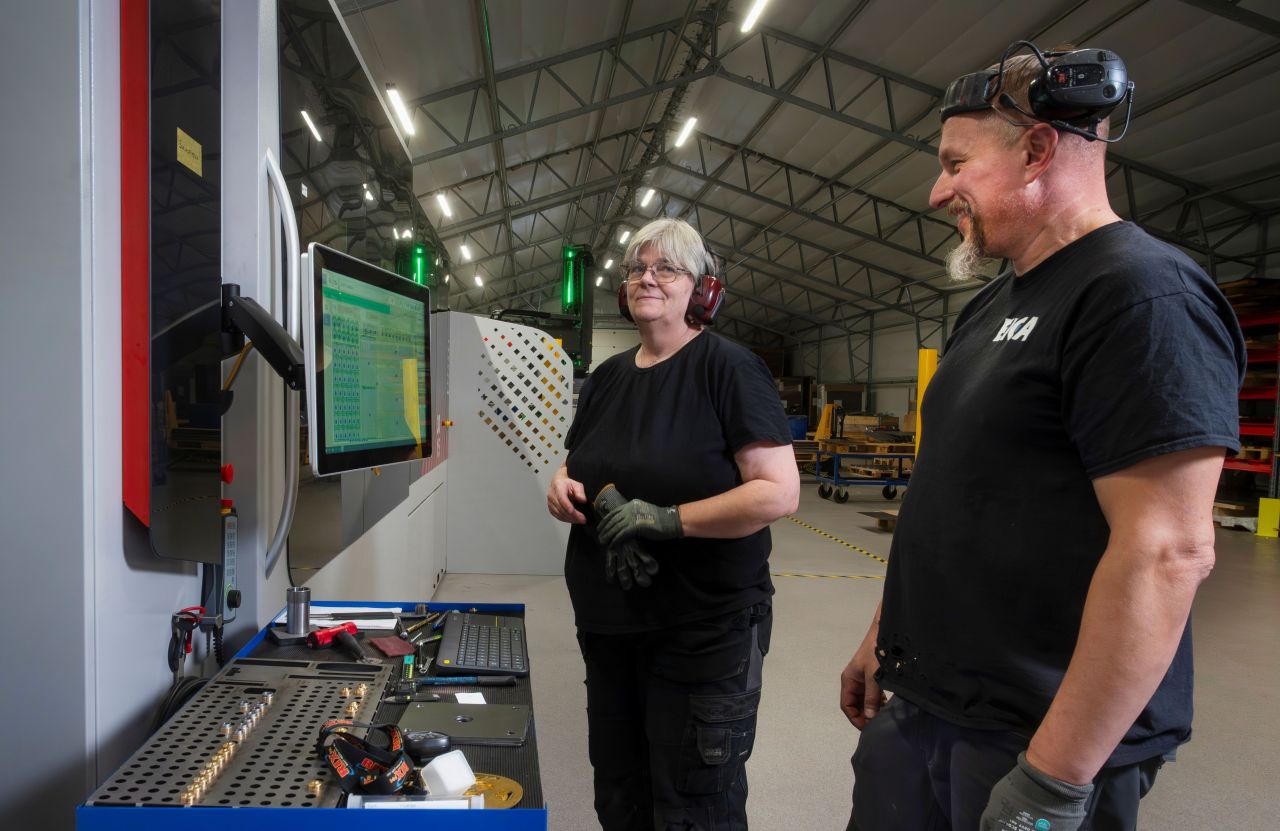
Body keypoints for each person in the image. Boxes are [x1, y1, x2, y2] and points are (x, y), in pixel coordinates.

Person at [840, 47, 1246, 831]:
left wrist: (1055, 779)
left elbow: (1167, 550)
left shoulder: (1140, 294)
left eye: (956, 164)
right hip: (931, 709)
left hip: (1032, 737)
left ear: (1036, 150)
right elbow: (957, 495)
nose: (937, 191)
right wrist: (885, 637)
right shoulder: (989, 309)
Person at [547, 217, 800, 830]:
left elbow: (777, 492)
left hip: (701, 629)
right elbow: (581, 459)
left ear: (701, 289)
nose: (646, 279)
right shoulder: (607, 378)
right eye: (636, 268)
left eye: (666, 268)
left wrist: (667, 519)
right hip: (610, 628)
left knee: (693, 804)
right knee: (621, 791)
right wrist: (560, 484)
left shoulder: (728, 369)